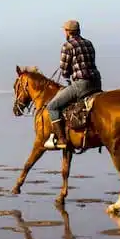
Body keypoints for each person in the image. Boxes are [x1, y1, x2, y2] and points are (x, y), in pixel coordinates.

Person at [45, 20, 102, 150]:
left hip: (81, 85)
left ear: (67, 32)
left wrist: (67, 77)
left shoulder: (67, 46)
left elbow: (65, 71)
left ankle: (61, 139)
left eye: (64, 30)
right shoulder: (89, 43)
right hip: (96, 83)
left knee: (52, 106)